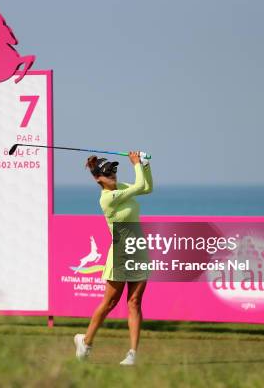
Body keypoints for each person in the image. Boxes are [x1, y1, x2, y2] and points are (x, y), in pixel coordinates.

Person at [74, 151, 153, 366]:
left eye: (114, 171)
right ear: (98, 178)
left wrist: (145, 165)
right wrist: (136, 163)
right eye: (108, 173)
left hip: (138, 250)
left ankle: (132, 355)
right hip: (119, 254)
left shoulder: (121, 188)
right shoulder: (107, 198)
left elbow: (147, 188)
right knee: (109, 303)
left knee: (135, 302)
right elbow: (138, 187)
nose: (113, 175)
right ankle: (86, 342)